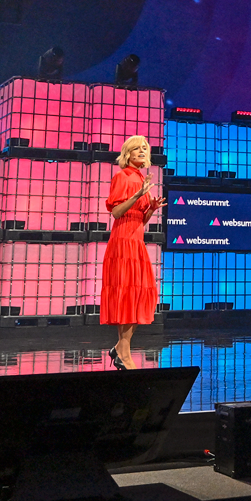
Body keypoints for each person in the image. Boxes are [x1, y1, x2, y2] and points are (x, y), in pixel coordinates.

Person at [102, 134, 161, 369]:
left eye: (145, 148)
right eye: (137, 148)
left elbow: (139, 219)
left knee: (139, 294)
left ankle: (120, 348)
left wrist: (151, 209)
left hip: (136, 242)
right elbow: (116, 213)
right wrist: (137, 195)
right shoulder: (123, 176)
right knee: (125, 295)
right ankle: (123, 353)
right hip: (122, 242)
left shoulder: (141, 178)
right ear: (128, 153)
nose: (142, 151)